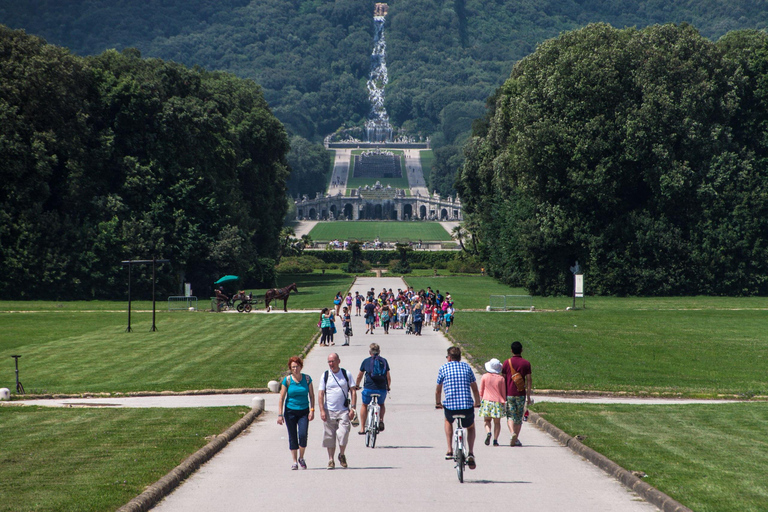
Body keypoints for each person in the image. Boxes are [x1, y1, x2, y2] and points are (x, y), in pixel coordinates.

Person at [435, 346, 481, 469]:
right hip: (466, 406)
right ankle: (471, 452)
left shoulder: (443, 368)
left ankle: (449, 449)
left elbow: (438, 390)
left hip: (450, 407)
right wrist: (477, 402)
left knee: (448, 420)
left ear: (449, 358)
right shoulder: (466, 367)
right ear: (460, 357)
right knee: (470, 427)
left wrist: (438, 403)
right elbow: (475, 388)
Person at [318, 353, 357, 469]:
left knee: (343, 434)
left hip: (344, 410)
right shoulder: (325, 375)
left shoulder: (346, 374)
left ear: (338, 361)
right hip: (329, 410)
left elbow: (353, 391)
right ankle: (331, 460)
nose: (331, 364)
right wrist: (322, 410)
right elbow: (321, 394)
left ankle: (342, 454)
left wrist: (353, 408)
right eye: (329, 362)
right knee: (329, 437)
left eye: (333, 361)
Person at [277, 356, 315, 470]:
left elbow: (312, 396)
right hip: (290, 411)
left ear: (301, 366)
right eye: (293, 367)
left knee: (303, 435)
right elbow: (281, 398)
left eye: (297, 366)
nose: (295, 369)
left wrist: (312, 410)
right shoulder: (287, 380)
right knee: (292, 436)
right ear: (290, 368)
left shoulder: (307, 379)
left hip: (304, 411)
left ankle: (301, 457)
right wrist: (280, 414)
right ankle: (294, 461)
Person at [502, 341, 533, 447]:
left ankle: (512, 433)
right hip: (521, 394)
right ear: (521, 350)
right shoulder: (526, 363)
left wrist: (502, 393)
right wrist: (528, 396)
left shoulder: (507, 362)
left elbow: (503, 379)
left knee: (510, 415)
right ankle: (516, 438)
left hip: (509, 393)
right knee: (519, 417)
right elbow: (529, 380)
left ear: (511, 350)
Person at [356, 343, 391, 434]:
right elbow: (388, 377)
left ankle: (363, 428)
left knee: (364, 404)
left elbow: (360, 376)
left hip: (369, 388)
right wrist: (388, 387)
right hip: (381, 389)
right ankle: (381, 420)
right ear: (379, 352)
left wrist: (357, 385)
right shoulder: (384, 361)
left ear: (369, 352)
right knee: (381, 404)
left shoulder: (366, 361)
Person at [479, 358, 506, 446]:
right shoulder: (501, 379)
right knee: (497, 423)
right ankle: (495, 440)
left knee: (487, 421)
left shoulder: (485, 376)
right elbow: (503, 392)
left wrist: (482, 398)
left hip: (487, 401)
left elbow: (481, 391)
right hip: (497, 402)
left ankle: (488, 432)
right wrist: (504, 401)